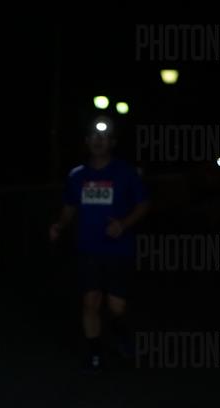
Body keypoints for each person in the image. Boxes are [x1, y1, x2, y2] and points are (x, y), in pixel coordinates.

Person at [49, 116, 150, 372]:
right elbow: (69, 208)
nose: (98, 141)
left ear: (112, 142)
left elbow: (143, 204)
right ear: (86, 141)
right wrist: (60, 225)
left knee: (117, 307)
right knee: (90, 301)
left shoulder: (126, 172)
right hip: (88, 249)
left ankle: (120, 333)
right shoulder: (76, 176)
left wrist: (123, 224)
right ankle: (94, 353)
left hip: (119, 249)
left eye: (104, 137)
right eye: (94, 136)